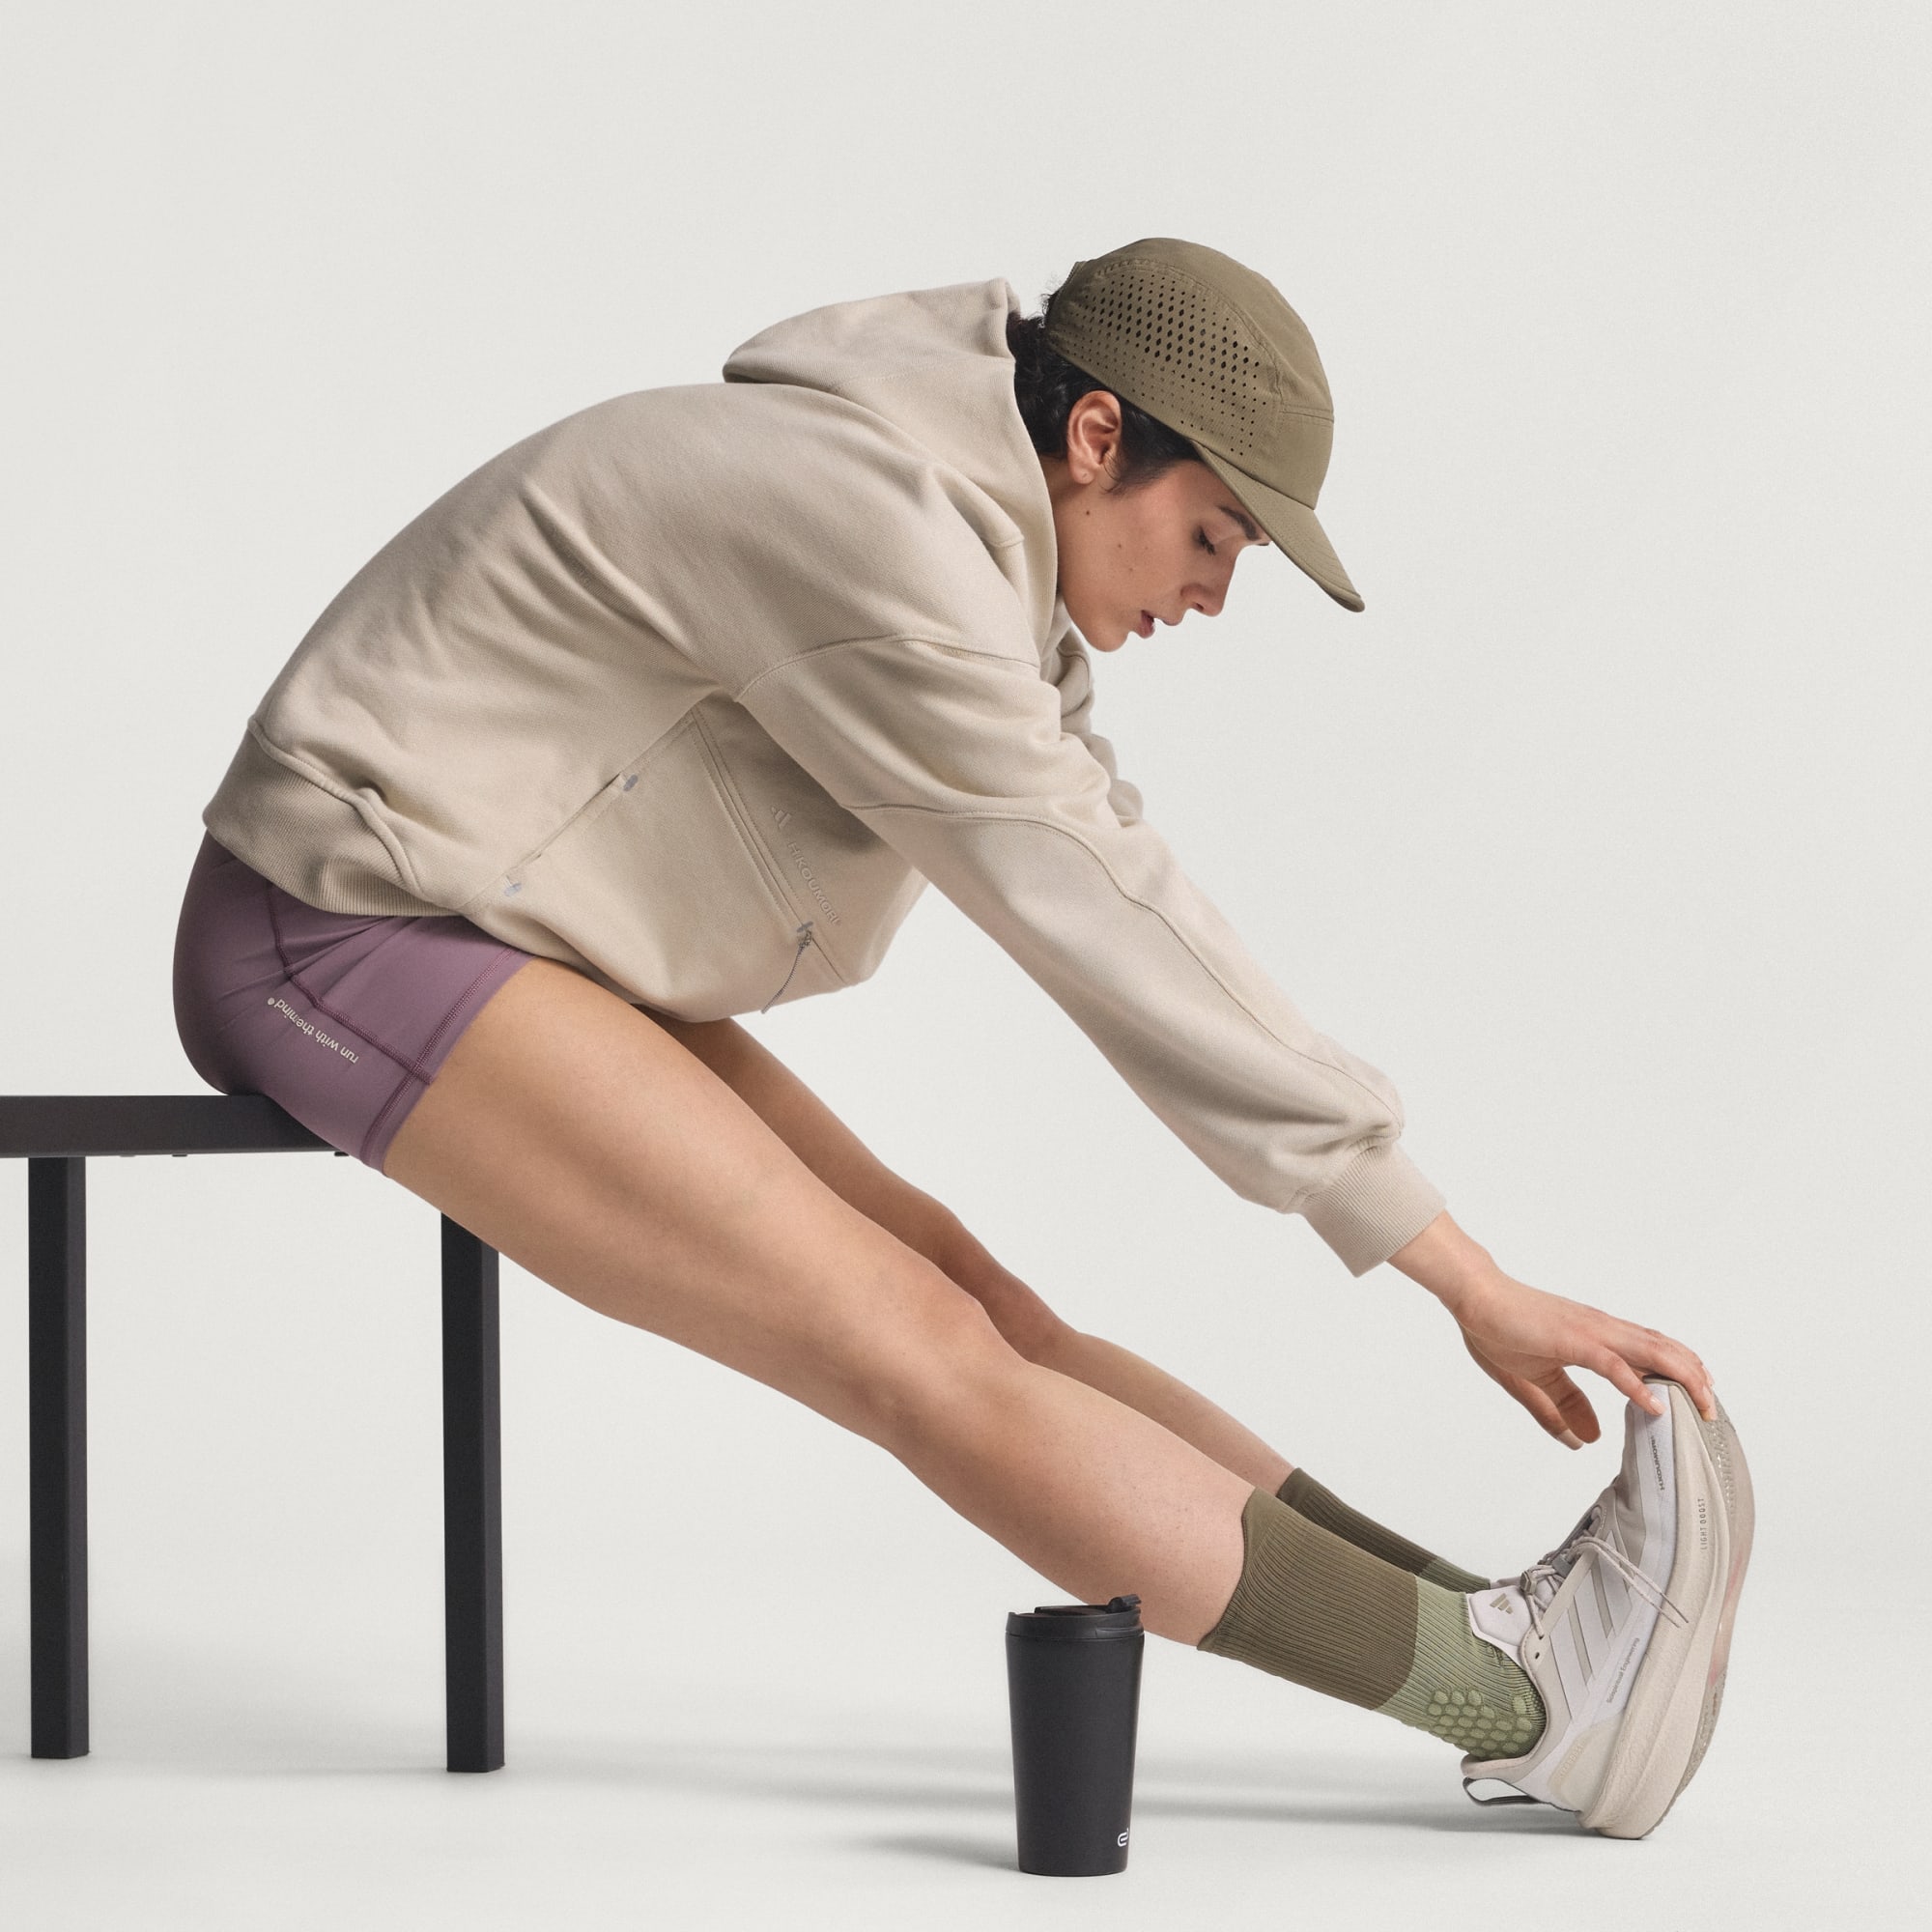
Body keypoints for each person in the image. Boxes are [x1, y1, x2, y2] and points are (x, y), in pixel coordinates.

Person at [171, 237, 1751, 1839]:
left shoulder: (961, 545)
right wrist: (1461, 1274)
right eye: (1213, 534)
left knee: (981, 1304)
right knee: (910, 1345)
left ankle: (1510, 1637)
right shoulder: (882, 542)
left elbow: (1119, 875)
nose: (1216, 592)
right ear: (1096, 436)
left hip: (480, 921)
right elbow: (1103, 923)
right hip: (335, 922)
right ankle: (1519, 1695)